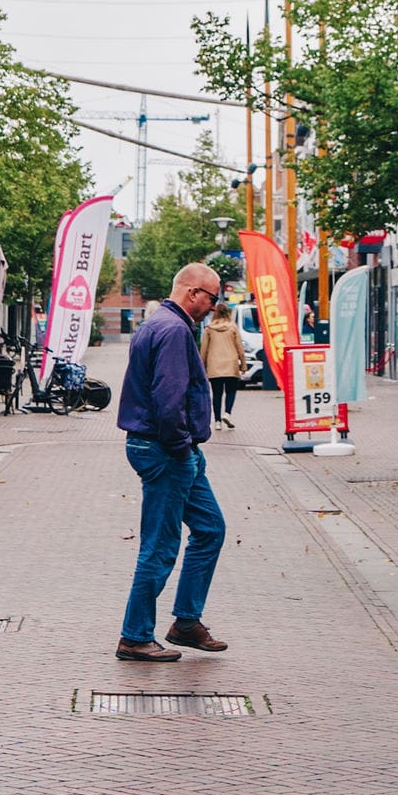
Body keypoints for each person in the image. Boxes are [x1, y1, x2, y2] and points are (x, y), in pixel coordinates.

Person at [117, 261, 230, 663]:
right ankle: (134, 636)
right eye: (212, 298)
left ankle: (185, 622)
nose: (214, 306)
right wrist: (182, 447)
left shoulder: (159, 324)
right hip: (167, 451)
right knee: (160, 546)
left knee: (210, 528)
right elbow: (169, 398)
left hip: (172, 450)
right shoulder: (174, 330)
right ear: (193, 293)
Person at [202, 295, 247, 430]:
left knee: (216, 393)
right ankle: (227, 413)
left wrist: (201, 366)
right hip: (231, 364)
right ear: (227, 312)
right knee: (231, 391)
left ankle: (217, 422)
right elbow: (240, 347)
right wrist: (243, 364)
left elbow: (204, 350)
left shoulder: (209, 328)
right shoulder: (232, 327)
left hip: (214, 365)